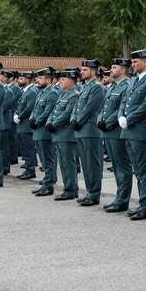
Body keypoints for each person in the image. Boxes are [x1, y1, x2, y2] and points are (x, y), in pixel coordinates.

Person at [121, 49, 146, 220]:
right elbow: (125, 101)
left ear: (145, 62)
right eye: (132, 62)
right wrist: (120, 116)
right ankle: (145, 203)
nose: (133, 65)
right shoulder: (133, 81)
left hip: (142, 133)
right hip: (130, 132)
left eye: (136, 62)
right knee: (138, 171)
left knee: (144, 171)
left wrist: (128, 119)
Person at [99, 59, 132, 212]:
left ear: (123, 70)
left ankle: (123, 200)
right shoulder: (112, 87)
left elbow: (122, 108)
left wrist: (108, 121)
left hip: (117, 131)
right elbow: (104, 107)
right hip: (108, 131)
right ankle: (119, 197)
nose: (110, 70)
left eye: (114, 67)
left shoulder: (126, 86)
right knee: (117, 166)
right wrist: (101, 120)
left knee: (122, 167)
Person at [72, 59, 106, 207]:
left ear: (93, 71)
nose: (82, 72)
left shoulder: (97, 88)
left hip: (91, 130)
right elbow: (77, 106)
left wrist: (78, 120)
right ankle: (89, 191)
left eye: (85, 70)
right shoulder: (84, 87)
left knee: (92, 163)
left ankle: (94, 194)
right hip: (81, 130)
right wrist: (73, 119)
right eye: (82, 70)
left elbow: (90, 108)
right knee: (85, 163)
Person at [47, 69, 80, 199]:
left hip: (66, 133)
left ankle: (71, 190)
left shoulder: (74, 95)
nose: (60, 82)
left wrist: (54, 124)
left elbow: (67, 114)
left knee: (68, 163)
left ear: (71, 80)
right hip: (59, 133)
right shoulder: (63, 94)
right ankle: (68, 188)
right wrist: (49, 122)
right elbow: (54, 110)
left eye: (63, 80)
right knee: (63, 163)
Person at [29, 68, 60, 197]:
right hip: (38, 131)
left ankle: (49, 185)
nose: (38, 80)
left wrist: (37, 121)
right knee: (43, 159)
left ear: (48, 79)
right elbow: (36, 109)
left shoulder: (52, 93)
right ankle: (46, 182)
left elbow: (47, 112)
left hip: (44, 131)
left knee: (48, 159)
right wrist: (31, 118)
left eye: (41, 78)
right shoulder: (41, 93)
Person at [13, 71, 39, 180]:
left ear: (28, 79)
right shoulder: (25, 91)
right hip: (22, 125)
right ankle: (28, 168)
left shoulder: (32, 92)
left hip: (27, 125)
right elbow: (20, 106)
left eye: (21, 79)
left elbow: (29, 108)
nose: (19, 81)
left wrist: (20, 116)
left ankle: (30, 170)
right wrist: (16, 114)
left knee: (29, 149)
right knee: (25, 148)